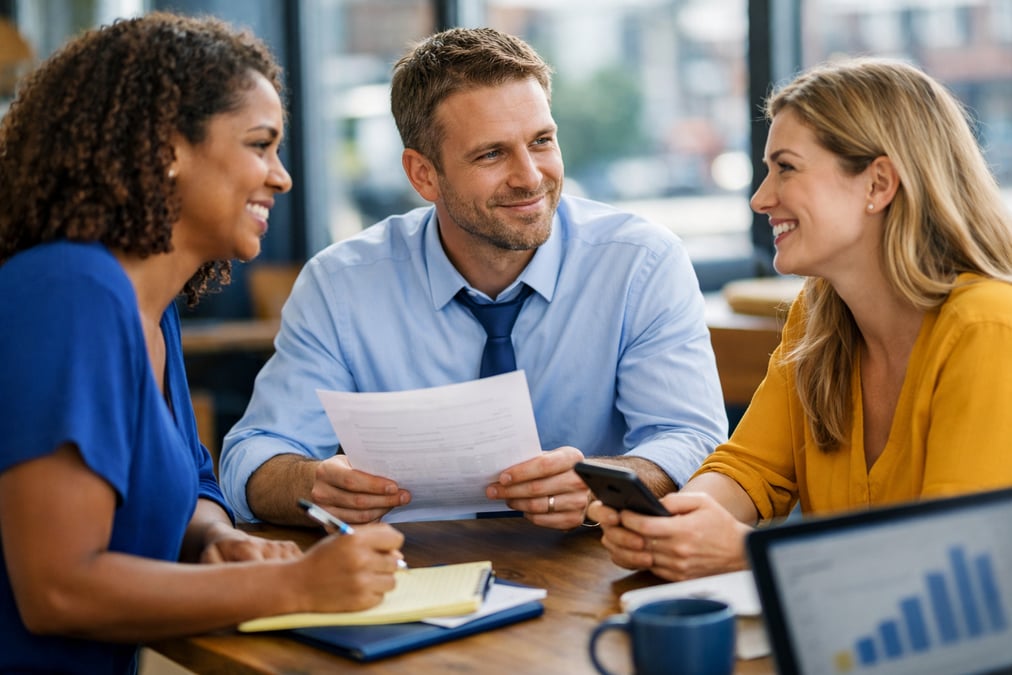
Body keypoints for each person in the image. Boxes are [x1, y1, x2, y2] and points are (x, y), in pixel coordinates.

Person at [0, 13, 403, 673]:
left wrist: (216, 537)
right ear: (167, 148)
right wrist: (296, 583)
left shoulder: (149, 310)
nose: (282, 177)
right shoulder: (69, 290)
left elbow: (187, 480)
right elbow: (57, 588)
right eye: (260, 144)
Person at [218, 27, 727, 530]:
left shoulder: (639, 263)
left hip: (593, 563)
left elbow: (690, 438)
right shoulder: (341, 285)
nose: (530, 176)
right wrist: (311, 485)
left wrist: (603, 480)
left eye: (541, 141)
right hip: (411, 572)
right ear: (423, 175)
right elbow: (253, 457)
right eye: (491, 154)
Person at [589, 56, 1012, 581]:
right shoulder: (819, 318)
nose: (761, 198)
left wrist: (749, 554)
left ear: (878, 184)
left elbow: (955, 564)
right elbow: (751, 469)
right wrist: (677, 524)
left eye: (786, 168)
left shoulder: (989, 329)